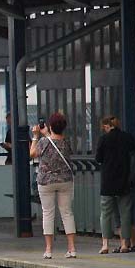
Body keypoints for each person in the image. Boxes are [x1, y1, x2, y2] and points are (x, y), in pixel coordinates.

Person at [29, 111, 76, 259]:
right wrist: (47, 134)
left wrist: (36, 136)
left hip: (46, 181)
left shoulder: (43, 142)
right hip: (65, 181)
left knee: (48, 213)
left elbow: (32, 153)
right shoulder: (67, 142)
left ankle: (49, 250)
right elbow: (58, 143)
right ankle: (72, 248)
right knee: (67, 213)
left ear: (50, 126)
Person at [95, 115, 135, 254]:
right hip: (125, 181)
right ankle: (125, 244)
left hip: (108, 181)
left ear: (106, 126)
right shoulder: (128, 137)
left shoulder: (104, 139)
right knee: (125, 213)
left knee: (105, 213)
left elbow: (98, 158)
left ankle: (105, 244)